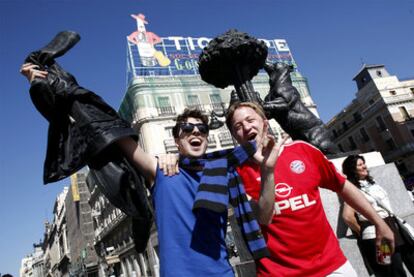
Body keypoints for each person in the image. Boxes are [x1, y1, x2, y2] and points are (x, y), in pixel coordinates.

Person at [20, 63, 286, 277]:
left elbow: (263, 217)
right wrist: (45, 83)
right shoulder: (160, 169)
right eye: (187, 129)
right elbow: (102, 125)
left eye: (202, 129)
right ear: (177, 140)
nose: (196, 132)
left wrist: (269, 172)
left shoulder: (225, 172)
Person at [225, 101, 395, 277]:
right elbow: (264, 217)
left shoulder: (303, 151)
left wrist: (379, 223)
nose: (246, 127)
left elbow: (343, 186)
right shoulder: (234, 174)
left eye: (250, 120)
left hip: (332, 267)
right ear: (235, 136)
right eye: (238, 126)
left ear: (265, 123)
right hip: (278, 273)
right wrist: (268, 171)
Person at [342, 154, 414, 277]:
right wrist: (365, 232)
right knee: (392, 271)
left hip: (394, 225)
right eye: (359, 165)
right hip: (378, 235)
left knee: (411, 259)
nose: (364, 166)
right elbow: (347, 217)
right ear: (352, 169)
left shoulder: (372, 182)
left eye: (363, 163)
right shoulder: (352, 190)